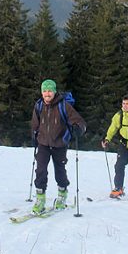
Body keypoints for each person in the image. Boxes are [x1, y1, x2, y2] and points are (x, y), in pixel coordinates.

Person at [29, 79, 87, 215]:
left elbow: (79, 121)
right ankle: (40, 199)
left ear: (54, 92)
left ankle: (62, 195)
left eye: (49, 91)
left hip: (59, 144)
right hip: (43, 143)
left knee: (59, 171)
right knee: (40, 170)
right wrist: (34, 136)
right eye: (44, 91)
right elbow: (35, 124)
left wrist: (79, 128)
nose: (47, 93)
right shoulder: (38, 106)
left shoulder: (63, 106)